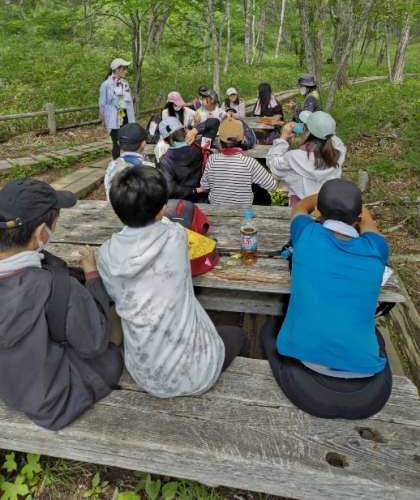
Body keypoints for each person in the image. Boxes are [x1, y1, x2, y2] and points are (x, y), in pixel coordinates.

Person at [96, 165, 249, 398]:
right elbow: (168, 223)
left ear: (116, 210)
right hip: (197, 372)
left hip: (145, 375)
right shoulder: (175, 236)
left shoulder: (106, 254)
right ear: (161, 210)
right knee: (240, 336)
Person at [260, 180, 392, 419]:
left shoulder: (305, 233)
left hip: (305, 386)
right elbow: (369, 223)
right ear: (358, 217)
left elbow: (301, 207)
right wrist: (357, 208)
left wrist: (319, 197)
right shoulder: (376, 248)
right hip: (368, 395)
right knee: (375, 334)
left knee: (269, 327)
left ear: (319, 213)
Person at [0, 178, 123, 430]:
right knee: (116, 325)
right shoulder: (58, 288)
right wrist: (92, 276)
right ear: (40, 233)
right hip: (52, 400)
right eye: (56, 221)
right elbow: (93, 344)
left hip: (10, 385)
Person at [267, 110, 346, 207]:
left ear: (308, 132)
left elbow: (273, 164)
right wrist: (322, 129)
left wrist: (283, 138)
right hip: (327, 206)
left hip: (301, 208)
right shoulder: (339, 152)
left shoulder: (295, 157)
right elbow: (332, 138)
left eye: (304, 126)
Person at [197, 118, 277, 205]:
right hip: (243, 211)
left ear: (219, 140)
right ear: (243, 139)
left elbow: (204, 186)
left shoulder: (212, 160)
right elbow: (272, 185)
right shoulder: (249, 162)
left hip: (216, 208)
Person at [104, 122, 153, 200]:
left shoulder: (112, 166)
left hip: (115, 205)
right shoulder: (148, 167)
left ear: (118, 143)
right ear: (143, 144)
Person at [158, 117, 203, 200]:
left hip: (182, 201)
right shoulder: (198, 147)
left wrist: (194, 190)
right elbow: (214, 122)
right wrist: (195, 131)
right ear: (185, 131)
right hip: (203, 196)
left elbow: (170, 189)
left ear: (165, 141)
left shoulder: (166, 161)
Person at [99, 58, 135, 159]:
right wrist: (105, 119)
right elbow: (102, 104)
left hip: (125, 115)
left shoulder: (125, 83)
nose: (126, 71)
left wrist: (132, 119)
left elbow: (129, 102)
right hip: (113, 117)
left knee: (127, 140)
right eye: (124, 69)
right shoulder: (106, 85)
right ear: (116, 69)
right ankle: (116, 163)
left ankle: (127, 162)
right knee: (116, 142)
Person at [155, 92, 196, 162]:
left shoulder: (189, 112)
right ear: (170, 104)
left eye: (178, 104)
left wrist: (190, 128)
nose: (177, 106)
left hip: (184, 138)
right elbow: (166, 129)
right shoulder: (165, 112)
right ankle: (162, 164)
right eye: (174, 104)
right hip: (170, 138)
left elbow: (195, 124)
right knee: (160, 146)